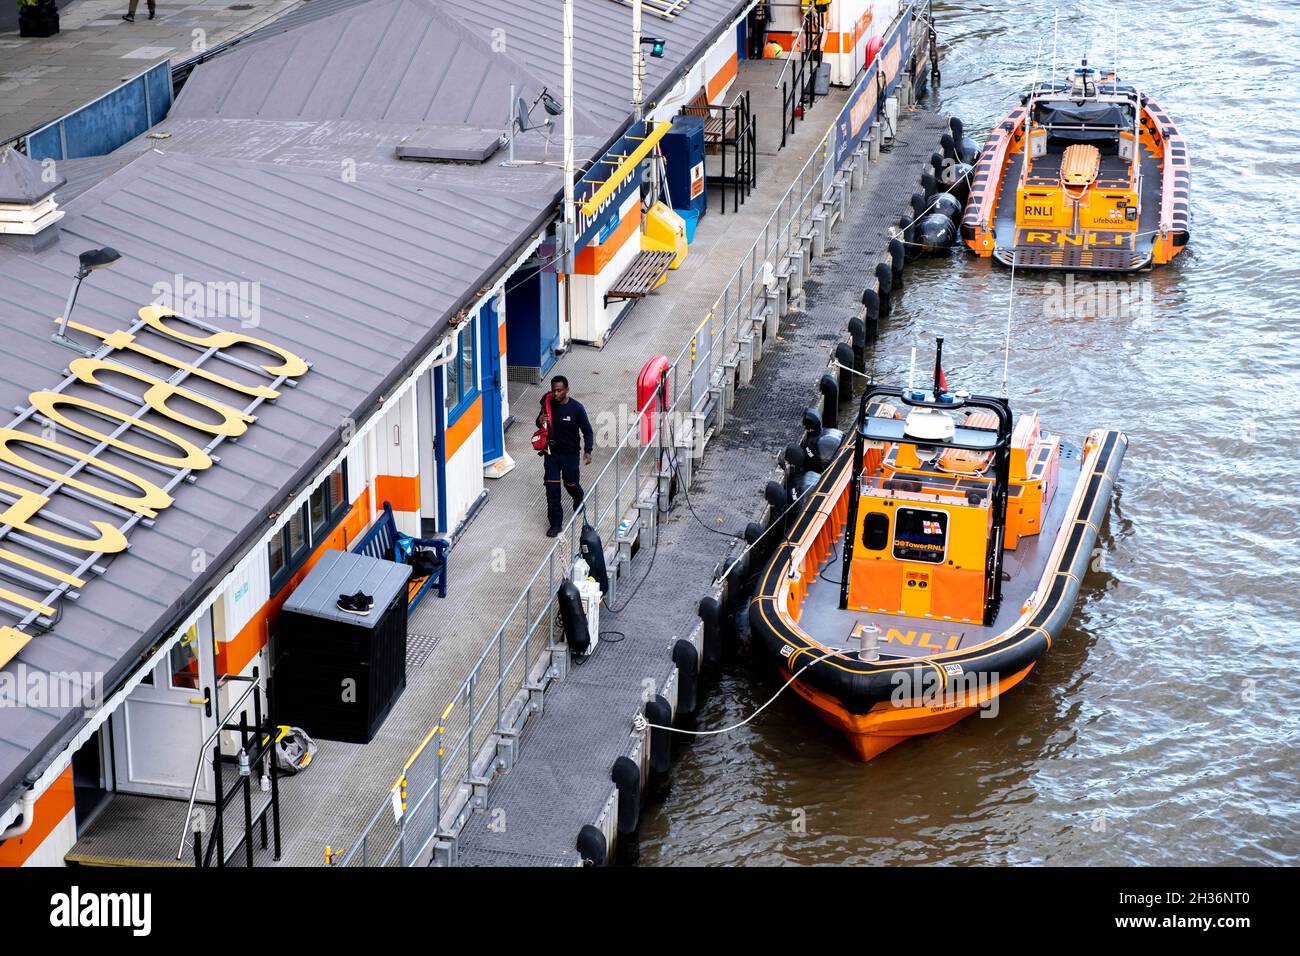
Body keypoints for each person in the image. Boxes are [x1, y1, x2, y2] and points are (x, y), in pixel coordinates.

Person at [537, 375, 593, 537]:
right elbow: (539, 423)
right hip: (551, 454)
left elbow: (587, 431)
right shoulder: (547, 404)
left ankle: (578, 497)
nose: (555, 394)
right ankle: (555, 524)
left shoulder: (576, 408)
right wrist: (540, 420)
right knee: (552, 489)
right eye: (554, 390)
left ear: (567, 390)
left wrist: (588, 451)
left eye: (559, 390)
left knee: (571, 484)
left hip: (570, 454)